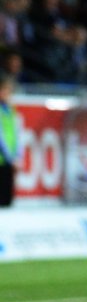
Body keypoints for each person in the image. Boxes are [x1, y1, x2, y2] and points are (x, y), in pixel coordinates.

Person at [0, 71, 19, 207]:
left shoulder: (11, 110)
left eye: (9, 90)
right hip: (3, 158)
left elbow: (16, 134)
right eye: (4, 90)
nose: (7, 93)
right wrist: (10, 158)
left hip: (9, 159)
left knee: (8, 199)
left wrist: (17, 156)